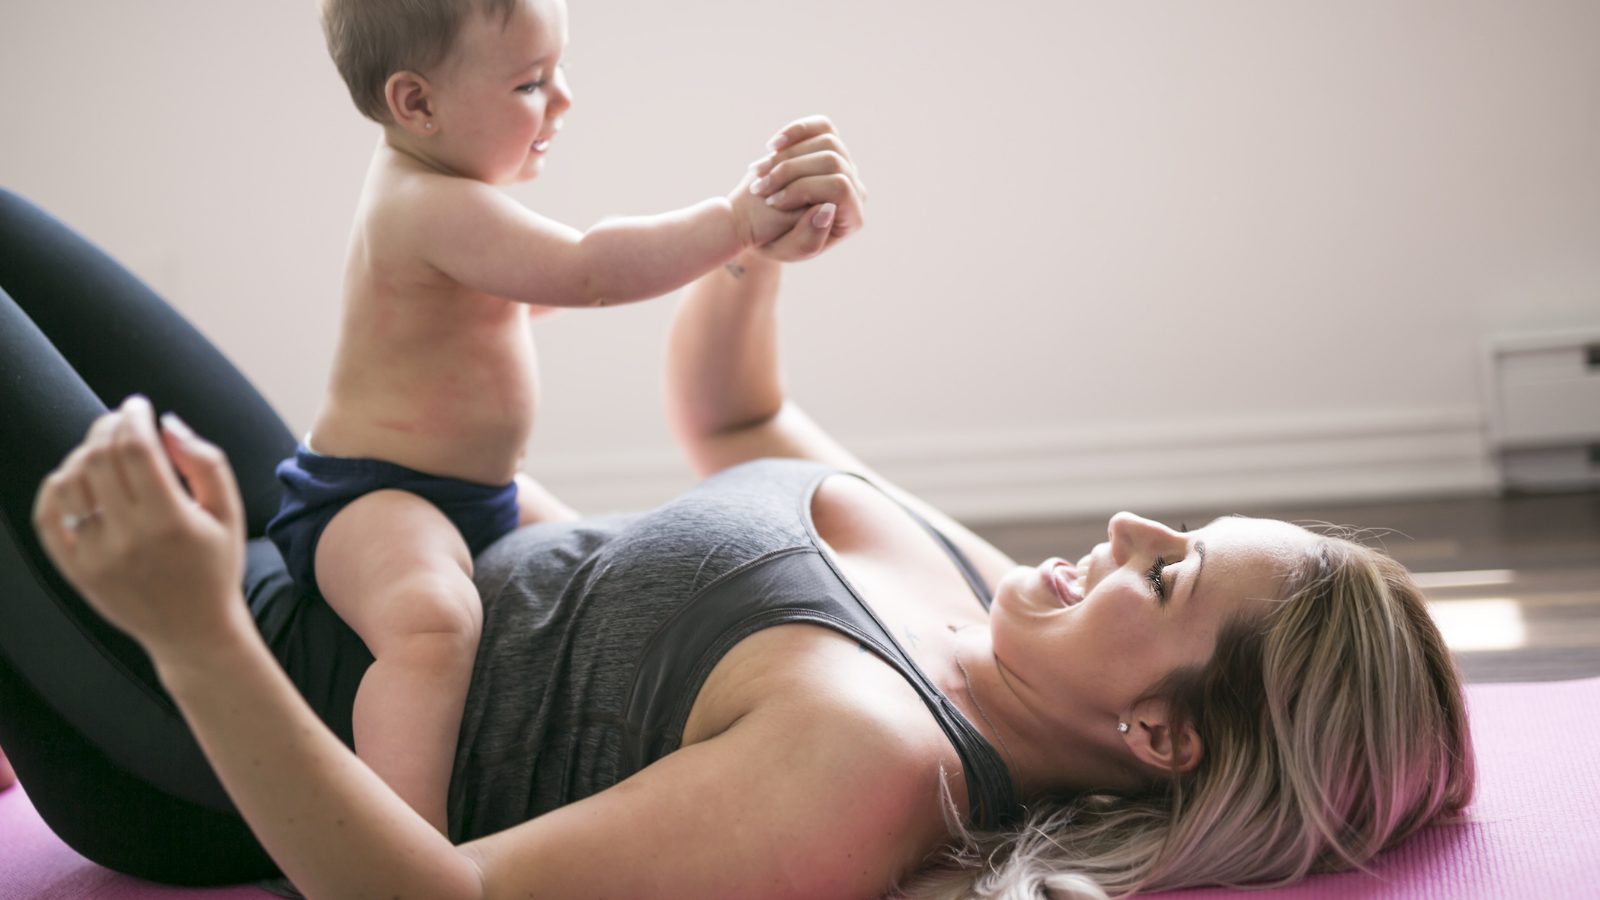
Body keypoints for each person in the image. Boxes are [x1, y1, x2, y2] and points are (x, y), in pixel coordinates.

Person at [0, 151, 1472, 899]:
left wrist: (188, 627)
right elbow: (736, 419)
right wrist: (758, 254)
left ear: (1163, 736)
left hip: (217, 717)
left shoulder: (872, 764)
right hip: (359, 546)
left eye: (1169, 573)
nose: (1129, 525)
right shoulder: (976, 591)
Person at [270, 0, 844, 833]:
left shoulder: (447, 193)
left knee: (608, 561)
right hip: (370, 496)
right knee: (432, 623)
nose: (563, 100)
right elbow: (586, 271)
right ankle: (396, 848)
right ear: (416, 104)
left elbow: (524, 299)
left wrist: (719, 258)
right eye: (532, 83)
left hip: (476, 492)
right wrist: (731, 225)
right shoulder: (425, 201)